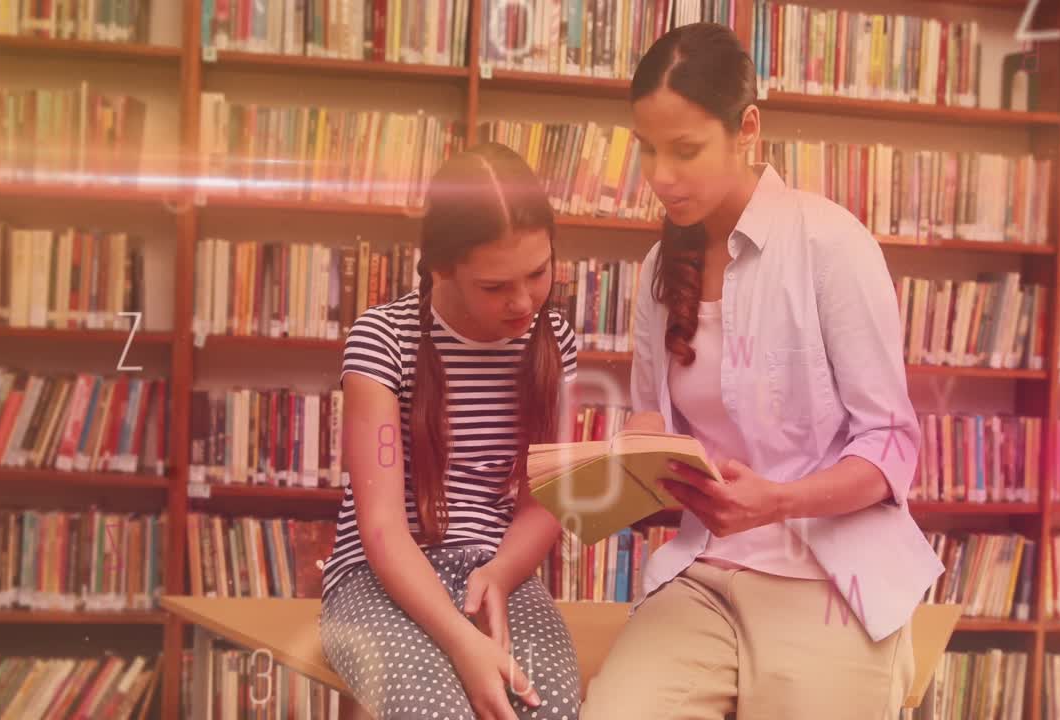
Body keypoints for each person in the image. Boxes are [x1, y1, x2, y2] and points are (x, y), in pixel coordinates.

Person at [579, 23, 945, 720]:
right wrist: (619, 470)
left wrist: (775, 500)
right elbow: (654, 413)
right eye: (648, 150)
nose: (660, 176)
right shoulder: (659, 268)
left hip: (828, 578)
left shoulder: (831, 244)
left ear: (747, 128)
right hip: (704, 574)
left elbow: (890, 447)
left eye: (685, 150)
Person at [319, 142, 583, 720]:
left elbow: (545, 499)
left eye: (538, 273)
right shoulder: (383, 340)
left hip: (495, 571)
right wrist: (462, 642)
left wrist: (497, 576)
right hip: (381, 577)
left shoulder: (555, 342)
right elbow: (383, 527)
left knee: (550, 708)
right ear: (442, 266)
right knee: (439, 712)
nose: (523, 302)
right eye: (494, 287)